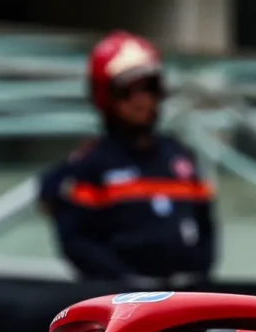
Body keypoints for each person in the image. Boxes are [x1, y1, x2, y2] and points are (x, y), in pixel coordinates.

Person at [38, 31, 216, 287]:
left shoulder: (181, 158)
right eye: (126, 91)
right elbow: (77, 243)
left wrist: (197, 279)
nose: (141, 100)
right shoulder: (90, 165)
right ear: (105, 97)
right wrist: (127, 285)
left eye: (150, 88)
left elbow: (207, 227)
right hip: (123, 304)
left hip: (185, 300)